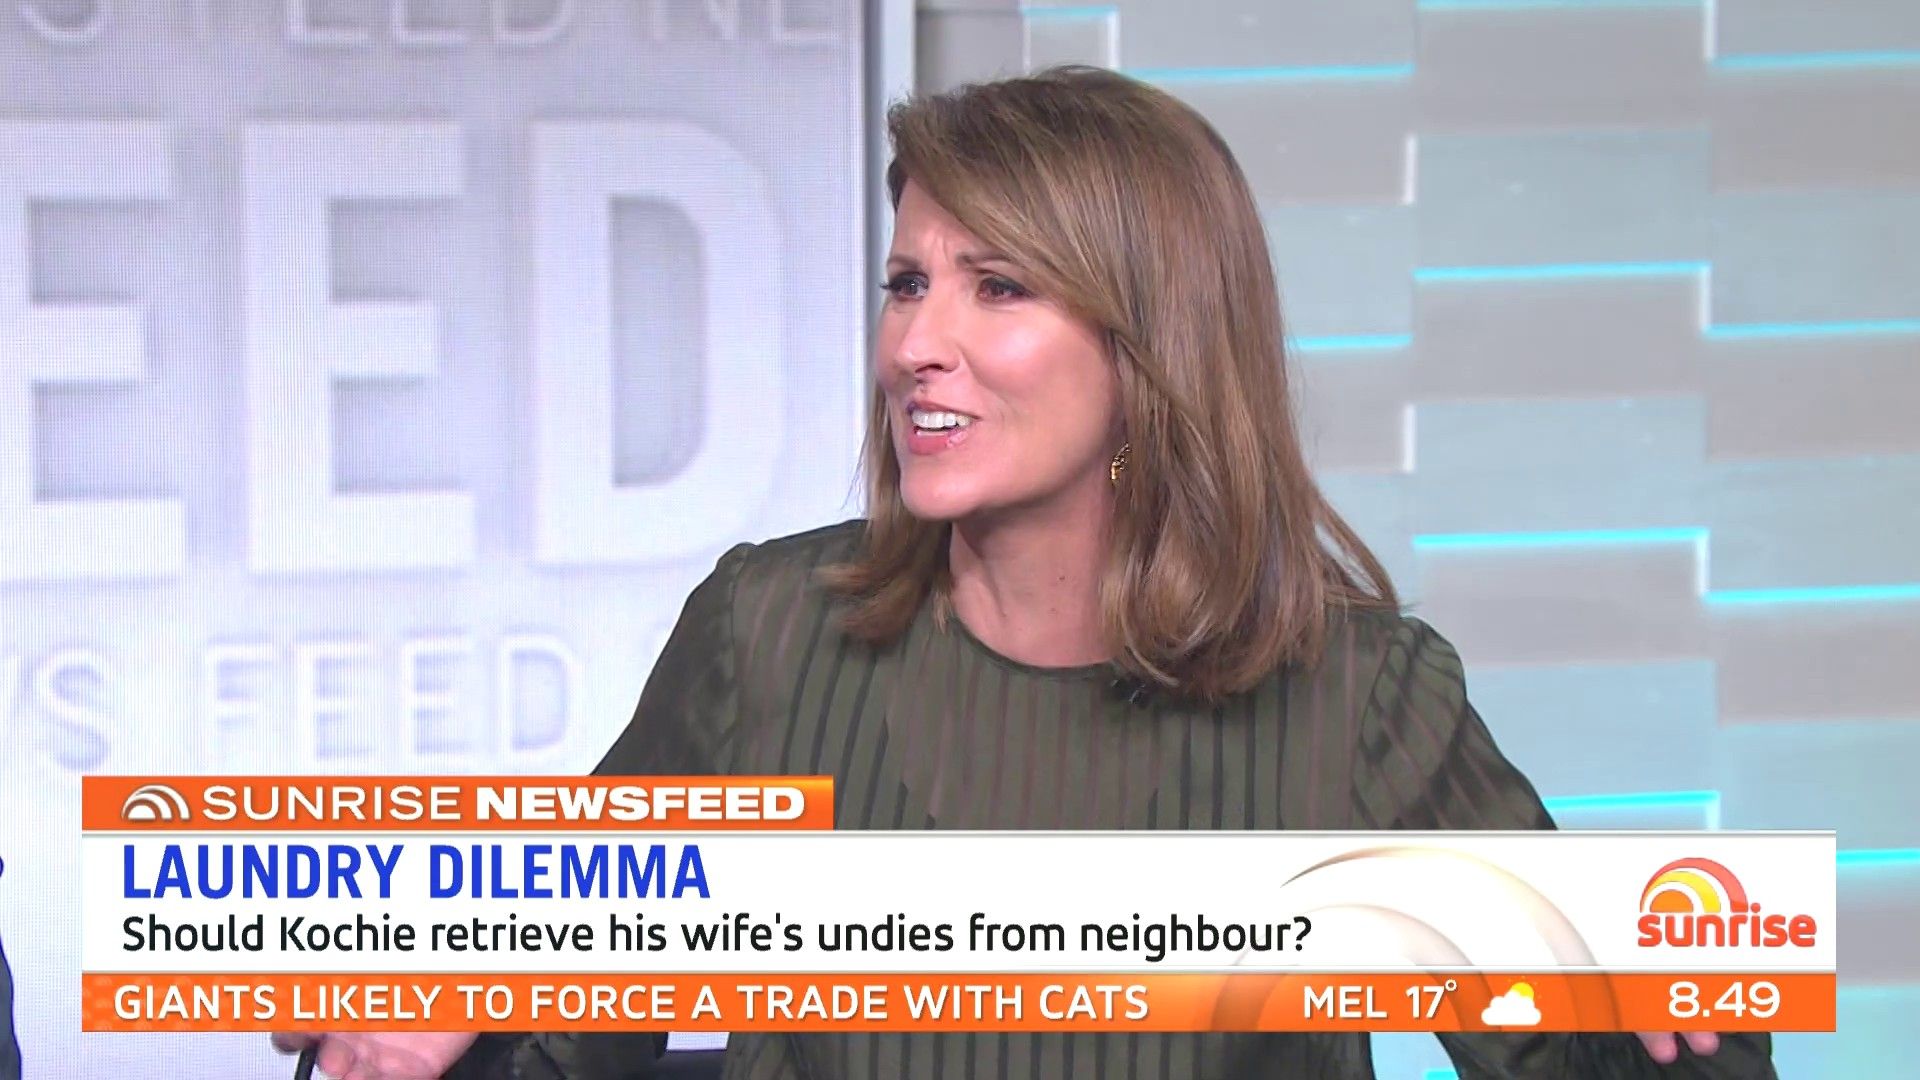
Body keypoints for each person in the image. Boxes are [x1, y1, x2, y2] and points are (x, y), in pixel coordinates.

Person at [277, 66, 1776, 1078]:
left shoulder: (1358, 697)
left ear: (1150, 341)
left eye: (997, 287)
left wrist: (1678, 1009)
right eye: (907, 283)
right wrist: (439, 1021)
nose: (916, 343)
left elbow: (1624, 1030)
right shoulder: (767, 637)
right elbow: (560, 1018)